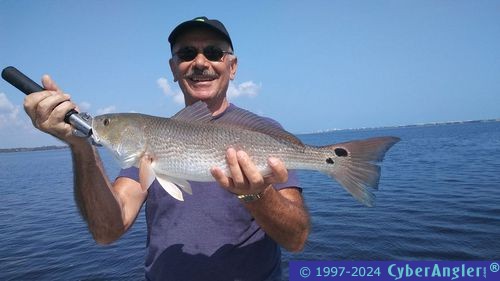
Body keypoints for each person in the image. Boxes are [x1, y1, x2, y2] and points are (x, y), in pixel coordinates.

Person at [23, 16, 310, 280]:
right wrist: (80, 145)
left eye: (213, 53)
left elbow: (296, 240)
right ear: (173, 69)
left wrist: (255, 195)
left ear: (232, 67)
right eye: (186, 54)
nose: (200, 62)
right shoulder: (144, 151)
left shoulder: (265, 132)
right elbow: (107, 231)